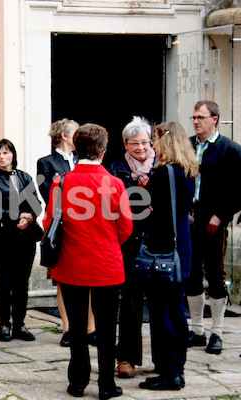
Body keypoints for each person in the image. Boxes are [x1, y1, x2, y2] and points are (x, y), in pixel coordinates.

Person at [43, 123, 132, 400]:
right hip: (107, 264)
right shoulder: (115, 183)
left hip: (71, 265)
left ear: (76, 148)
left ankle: (78, 382)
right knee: (106, 330)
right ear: (103, 152)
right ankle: (106, 384)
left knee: (78, 328)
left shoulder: (62, 182)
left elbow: (49, 222)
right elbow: (126, 227)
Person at [138, 121, 198, 391]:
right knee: (177, 311)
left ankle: (170, 372)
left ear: (167, 140)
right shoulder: (189, 171)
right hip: (182, 247)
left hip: (164, 249)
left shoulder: (163, 173)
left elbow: (149, 207)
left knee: (161, 311)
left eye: (156, 139)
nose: (153, 144)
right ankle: (178, 369)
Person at [187, 100, 241, 355]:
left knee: (215, 275)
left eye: (201, 117)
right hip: (189, 220)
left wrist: (221, 215)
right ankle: (197, 330)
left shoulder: (230, 149)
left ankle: (216, 332)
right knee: (191, 274)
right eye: (194, 117)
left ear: (214, 119)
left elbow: (238, 188)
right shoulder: (187, 145)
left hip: (214, 222)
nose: (196, 121)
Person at [37, 119, 96, 348]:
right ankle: (68, 327)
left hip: (86, 226)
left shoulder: (84, 160)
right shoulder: (46, 162)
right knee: (62, 279)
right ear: (63, 135)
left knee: (89, 279)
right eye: (75, 132)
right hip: (61, 226)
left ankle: (91, 328)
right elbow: (46, 194)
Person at [108, 116, 156, 378]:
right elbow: (117, 205)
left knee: (161, 301)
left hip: (157, 240)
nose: (140, 148)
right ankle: (126, 358)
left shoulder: (161, 167)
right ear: (125, 144)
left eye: (145, 142)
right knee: (130, 301)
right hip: (128, 242)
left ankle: (163, 359)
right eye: (135, 143)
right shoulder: (116, 170)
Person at [0, 139, 42, 342]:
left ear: (13, 155)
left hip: (25, 237)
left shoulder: (24, 177)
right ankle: (4, 325)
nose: (2, 157)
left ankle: (19, 325)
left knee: (21, 283)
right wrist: (18, 216)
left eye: (6, 153)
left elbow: (36, 203)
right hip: (2, 238)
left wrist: (29, 217)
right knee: (4, 281)